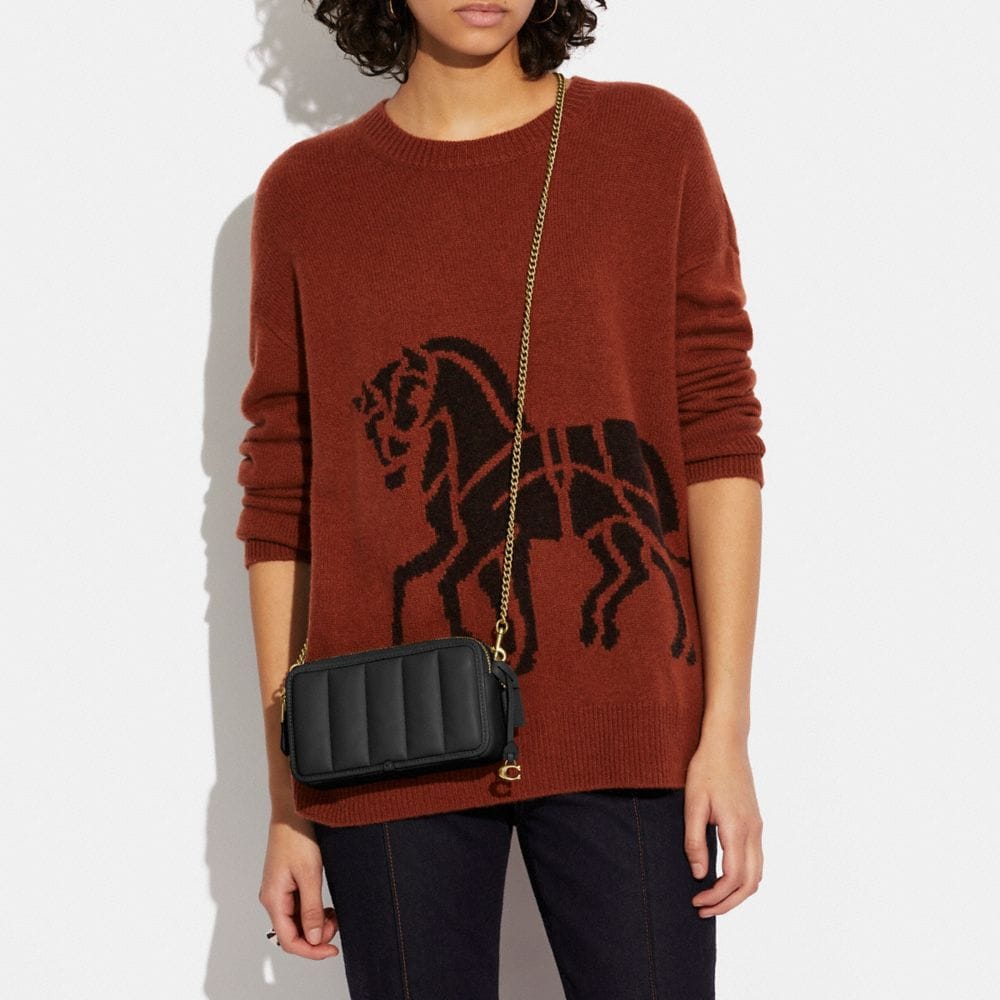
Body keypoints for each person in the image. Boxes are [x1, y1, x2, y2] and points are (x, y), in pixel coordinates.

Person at [235, 1, 765, 996]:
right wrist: (286, 795)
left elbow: (716, 432)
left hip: (625, 718)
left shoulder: (647, 143)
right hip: (381, 733)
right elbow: (280, 497)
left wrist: (724, 732)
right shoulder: (308, 194)